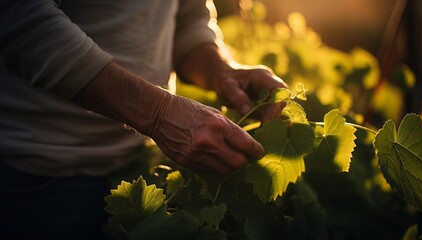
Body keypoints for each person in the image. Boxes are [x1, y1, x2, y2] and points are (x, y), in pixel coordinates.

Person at [0, 0, 286, 239]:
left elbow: (187, 18)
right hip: (38, 177)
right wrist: (158, 114)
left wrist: (221, 71)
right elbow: (21, 20)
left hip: (137, 168)